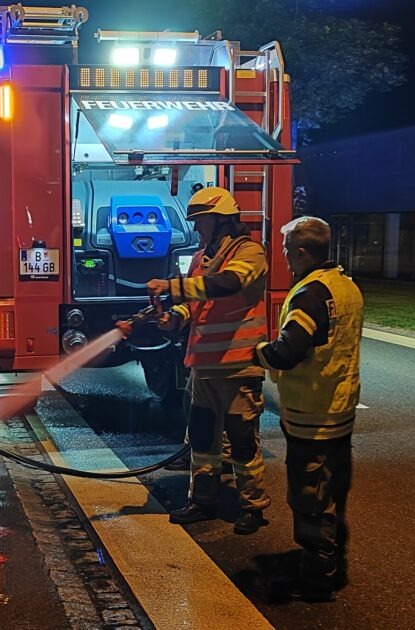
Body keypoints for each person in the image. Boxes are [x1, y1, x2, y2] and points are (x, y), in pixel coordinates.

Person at [146, 186, 270, 535]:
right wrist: (176, 318)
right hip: (203, 368)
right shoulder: (202, 256)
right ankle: (202, 501)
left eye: (201, 221)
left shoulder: (250, 252)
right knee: (202, 442)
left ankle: (254, 507)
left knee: (243, 444)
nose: (198, 228)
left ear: (222, 220)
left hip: (238, 367)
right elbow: (196, 299)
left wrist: (174, 288)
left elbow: (228, 284)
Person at [253, 216, 364, 602]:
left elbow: (288, 351)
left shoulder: (309, 294)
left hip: (310, 416)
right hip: (341, 408)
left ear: (301, 252)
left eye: (285, 251)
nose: (284, 258)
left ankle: (317, 575)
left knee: (309, 496)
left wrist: (258, 354)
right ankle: (329, 562)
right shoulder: (346, 286)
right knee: (333, 491)